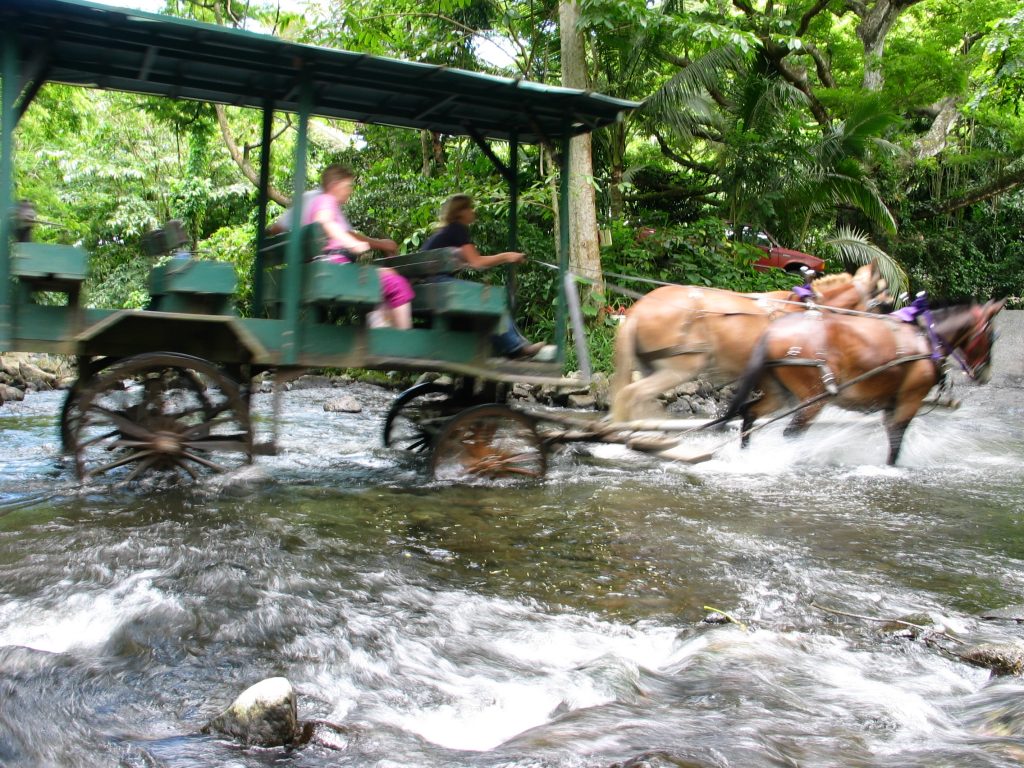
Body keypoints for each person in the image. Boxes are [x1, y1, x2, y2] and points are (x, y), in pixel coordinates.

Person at [421, 194, 544, 358]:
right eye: (470, 208)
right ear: (460, 212)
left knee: (487, 298)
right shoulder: (457, 228)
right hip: (438, 284)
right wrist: (508, 256)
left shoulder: (446, 232)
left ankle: (515, 345)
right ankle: (515, 348)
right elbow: (477, 262)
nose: (473, 211)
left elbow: (466, 259)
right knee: (492, 298)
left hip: (429, 285)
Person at [302, 165, 414, 329]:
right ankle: (404, 339)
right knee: (397, 284)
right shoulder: (326, 200)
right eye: (348, 186)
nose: (350, 190)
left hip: (334, 267)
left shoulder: (324, 203)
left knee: (387, 275)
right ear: (335, 185)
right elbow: (324, 221)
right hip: (335, 270)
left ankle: (380, 325)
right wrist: (350, 243)